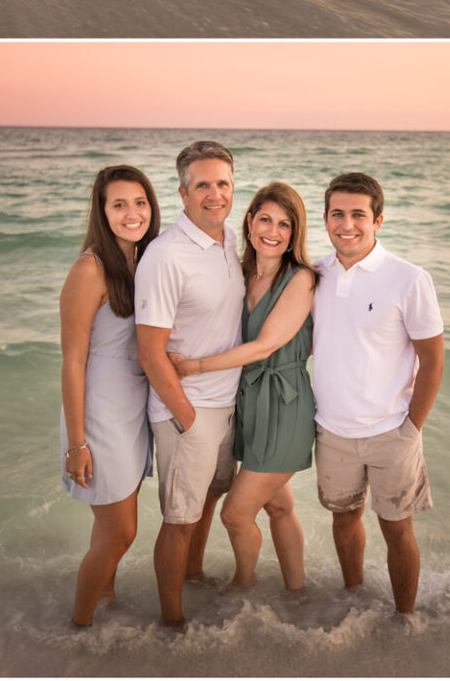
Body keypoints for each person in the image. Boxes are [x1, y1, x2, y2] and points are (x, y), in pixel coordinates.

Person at [172, 181, 317, 594]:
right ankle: (297, 592)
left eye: (285, 224)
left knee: (235, 515)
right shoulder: (239, 272)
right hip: (248, 404)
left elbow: (265, 345)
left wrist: (193, 367)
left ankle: (244, 589)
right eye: (265, 219)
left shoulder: (300, 279)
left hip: (284, 405)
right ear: (250, 221)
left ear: (295, 233)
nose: (273, 231)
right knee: (277, 504)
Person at [311, 171, 444, 618]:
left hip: (392, 431)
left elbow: (433, 359)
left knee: (396, 528)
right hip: (332, 430)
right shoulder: (314, 275)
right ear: (325, 218)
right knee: (344, 519)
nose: (346, 224)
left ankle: (404, 617)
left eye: (358, 215)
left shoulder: (408, 278)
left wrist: (412, 427)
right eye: (337, 214)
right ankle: (353, 597)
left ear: (378, 220)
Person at [133, 140, 247, 626]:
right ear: (182, 193)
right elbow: (149, 351)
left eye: (222, 183)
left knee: (209, 499)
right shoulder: (165, 256)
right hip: (188, 412)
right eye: (203, 185)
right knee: (179, 519)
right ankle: (173, 622)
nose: (214, 194)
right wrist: (186, 417)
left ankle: (194, 577)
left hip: (226, 405)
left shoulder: (229, 242)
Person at [59, 165, 160, 626]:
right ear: (102, 211)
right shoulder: (90, 267)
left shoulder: (143, 261)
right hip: (99, 412)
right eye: (119, 204)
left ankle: (106, 603)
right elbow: (72, 361)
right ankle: (78, 628)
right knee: (122, 531)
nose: (132, 212)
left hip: (133, 407)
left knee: (107, 528)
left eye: (140, 202)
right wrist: (76, 442)